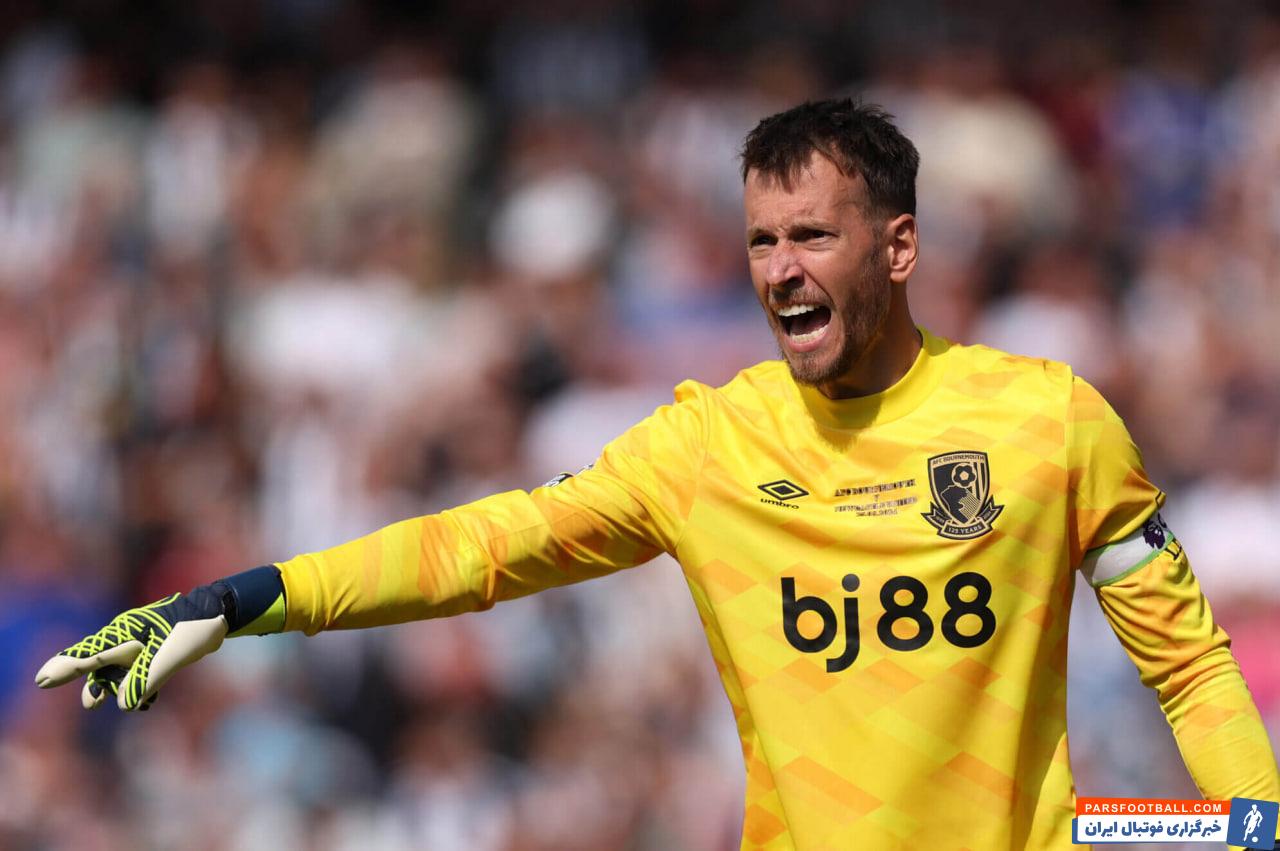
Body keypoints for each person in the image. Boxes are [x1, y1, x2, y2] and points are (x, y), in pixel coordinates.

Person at [35, 99, 1280, 849]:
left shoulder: (1047, 419)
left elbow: (1186, 662)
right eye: (759, 240)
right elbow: (483, 548)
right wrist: (250, 596)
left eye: (811, 235)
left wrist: (1250, 816)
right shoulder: (706, 446)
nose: (779, 269)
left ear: (898, 246)